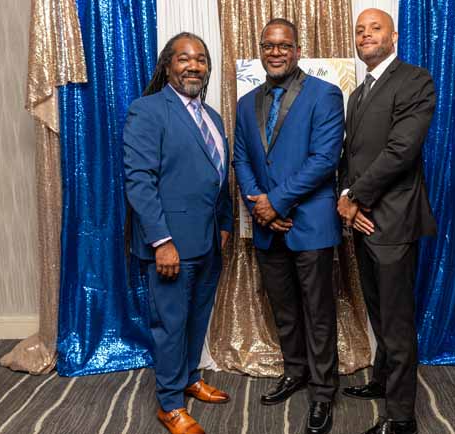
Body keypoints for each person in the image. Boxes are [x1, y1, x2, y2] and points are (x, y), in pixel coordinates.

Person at [233, 18, 344, 434]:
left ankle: (322, 392)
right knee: (284, 310)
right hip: (267, 225)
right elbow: (241, 158)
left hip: (309, 222)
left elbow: (324, 159)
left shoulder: (325, 95)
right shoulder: (246, 103)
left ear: (298, 51)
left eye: (284, 46)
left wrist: (275, 201)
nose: (275, 52)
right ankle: (295, 371)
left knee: (318, 313)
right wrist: (260, 205)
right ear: (261, 51)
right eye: (268, 46)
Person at [123, 32, 233, 434]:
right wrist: (161, 241)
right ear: (168, 65)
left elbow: (218, 177)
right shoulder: (148, 110)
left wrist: (225, 224)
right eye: (184, 58)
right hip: (170, 243)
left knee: (196, 319)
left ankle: (189, 377)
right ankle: (169, 403)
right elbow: (139, 180)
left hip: (208, 241)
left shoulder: (213, 117)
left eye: (201, 59)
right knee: (170, 325)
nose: (194, 66)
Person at [337, 8, 437, 434]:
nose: (365, 36)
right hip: (364, 219)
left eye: (374, 29)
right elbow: (351, 155)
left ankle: (401, 419)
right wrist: (347, 196)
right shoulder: (359, 93)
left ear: (393, 36)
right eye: (360, 31)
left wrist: (356, 198)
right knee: (378, 311)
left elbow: (401, 151)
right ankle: (382, 381)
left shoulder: (415, 80)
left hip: (393, 221)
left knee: (397, 323)